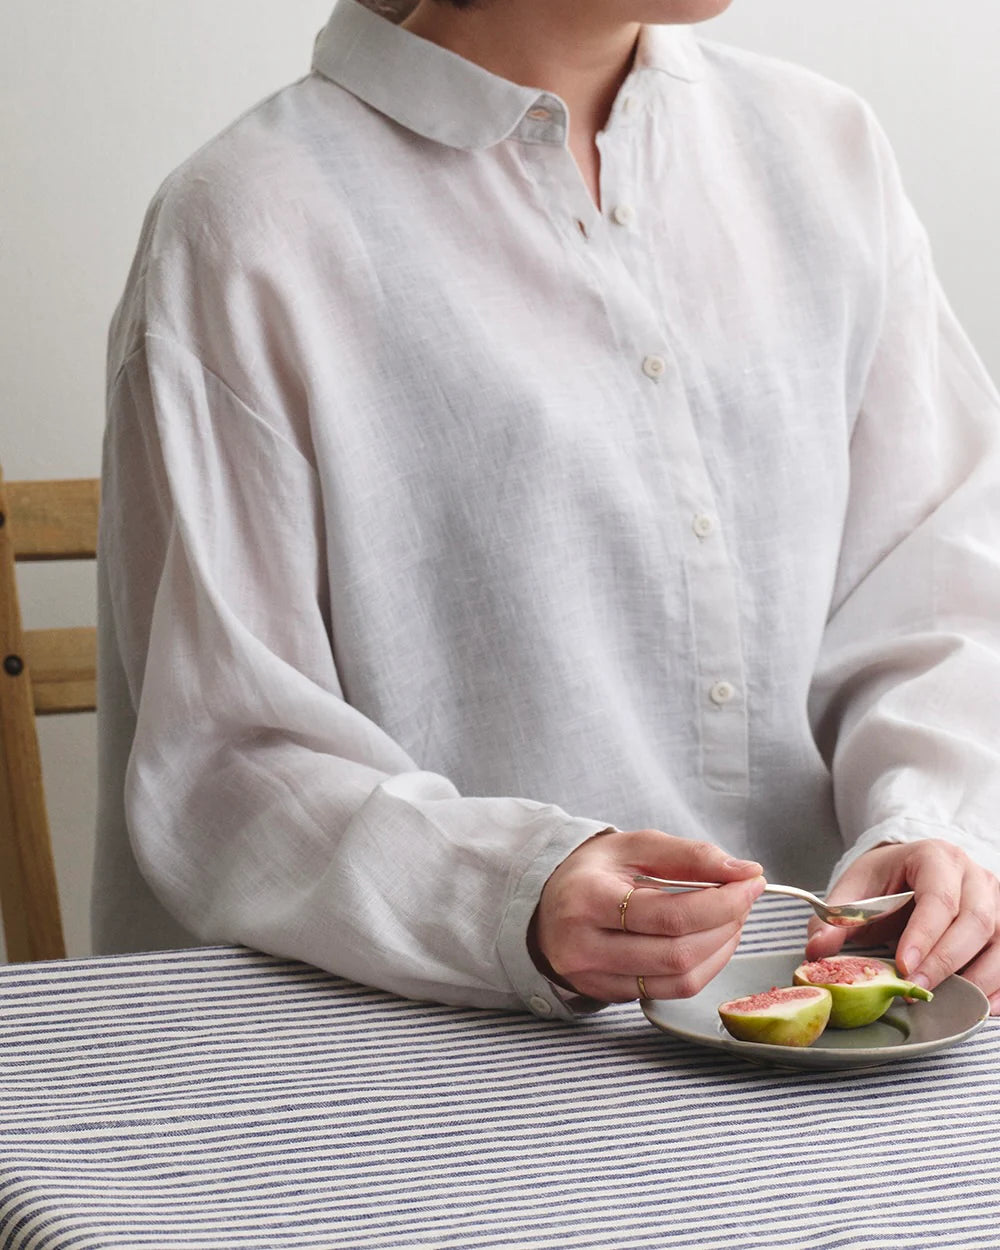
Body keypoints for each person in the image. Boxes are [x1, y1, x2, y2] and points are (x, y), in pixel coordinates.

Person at [95, 0, 1000, 1020]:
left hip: (856, 1044)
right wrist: (511, 891)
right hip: (423, 1065)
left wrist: (929, 820)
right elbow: (227, 764)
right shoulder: (248, 223)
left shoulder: (827, 152)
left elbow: (938, 584)